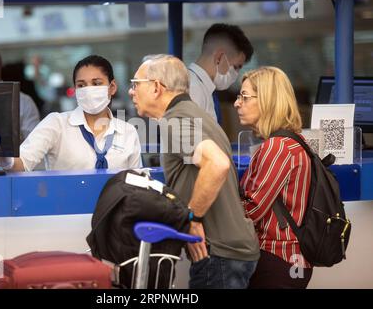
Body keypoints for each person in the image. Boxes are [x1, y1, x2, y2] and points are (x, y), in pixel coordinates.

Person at [128, 54, 259, 289]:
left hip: (220, 255)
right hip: (232, 252)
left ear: (157, 87)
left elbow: (217, 163)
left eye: (136, 84)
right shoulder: (198, 117)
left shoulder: (175, 121)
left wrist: (193, 217)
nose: (131, 91)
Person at [234, 66, 313, 288]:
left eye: (244, 97)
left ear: (267, 100)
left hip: (278, 258)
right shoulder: (292, 140)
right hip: (289, 259)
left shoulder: (277, 147)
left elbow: (252, 209)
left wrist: (217, 211)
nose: (237, 103)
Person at [0, 55, 142, 172]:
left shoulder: (127, 132)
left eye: (96, 83)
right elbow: (23, 162)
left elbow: (137, 182)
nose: (88, 90)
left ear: (112, 87)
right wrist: (3, 157)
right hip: (66, 208)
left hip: (115, 209)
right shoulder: (56, 123)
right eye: (81, 85)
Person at [188, 23, 253, 122]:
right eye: (236, 67)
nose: (236, 74)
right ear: (219, 57)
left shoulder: (204, 88)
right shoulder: (192, 89)